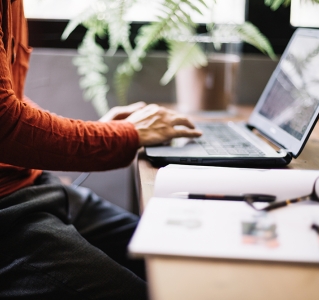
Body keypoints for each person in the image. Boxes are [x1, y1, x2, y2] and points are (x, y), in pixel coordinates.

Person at [0, 0, 202, 299]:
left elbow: (11, 97)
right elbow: (5, 126)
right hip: (8, 210)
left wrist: (96, 130)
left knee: (174, 258)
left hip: (32, 184)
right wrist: (120, 136)